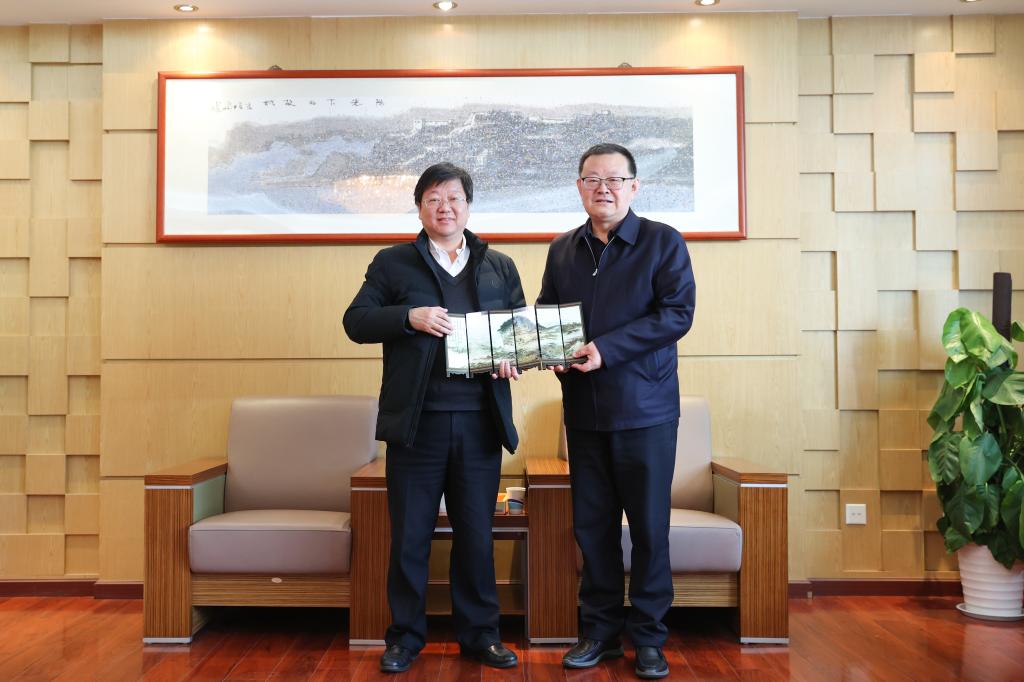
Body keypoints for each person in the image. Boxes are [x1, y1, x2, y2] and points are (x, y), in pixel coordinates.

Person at [343, 162, 524, 673]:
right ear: (420, 207)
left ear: (469, 205)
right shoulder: (393, 263)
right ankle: (404, 638)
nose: (445, 208)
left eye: (454, 198)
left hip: (480, 423)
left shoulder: (499, 265)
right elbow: (356, 322)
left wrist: (512, 357)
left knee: (476, 536)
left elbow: (517, 332)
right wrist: (409, 317)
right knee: (410, 537)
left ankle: (481, 635)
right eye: (433, 199)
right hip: (416, 425)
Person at [537, 143, 696, 679]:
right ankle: (600, 633)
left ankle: (649, 638)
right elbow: (548, 316)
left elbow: (677, 314)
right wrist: (544, 351)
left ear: (634, 186)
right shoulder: (562, 249)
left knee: (649, 529)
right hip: (584, 412)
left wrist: (607, 349)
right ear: (579, 187)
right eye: (592, 179)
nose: (602, 188)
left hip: (646, 409)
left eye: (614, 179)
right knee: (593, 528)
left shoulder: (662, 241)